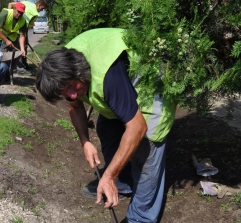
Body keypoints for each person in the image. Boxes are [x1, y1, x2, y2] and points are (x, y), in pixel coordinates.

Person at [35, 28, 176, 223]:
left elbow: (137, 128)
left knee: (146, 149)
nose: (72, 95)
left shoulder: (108, 76)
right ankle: (124, 183)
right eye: (64, 93)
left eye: (71, 88)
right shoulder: (63, 69)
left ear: (77, 71)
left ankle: (141, 217)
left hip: (149, 82)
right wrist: (85, 141)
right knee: (107, 128)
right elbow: (74, 106)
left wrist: (108, 176)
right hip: (117, 83)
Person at [7, 0, 47, 69]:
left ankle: (24, 64)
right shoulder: (35, 13)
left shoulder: (26, 3)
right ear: (39, 5)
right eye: (42, 8)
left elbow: (10, 4)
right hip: (18, 32)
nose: (41, 10)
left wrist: (9, 19)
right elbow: (26, 26)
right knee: (20, 49)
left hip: (17, 30)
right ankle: (20, 68)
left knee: (23, 47)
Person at [0, 2, 27, 76]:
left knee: (14, 54)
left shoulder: (23, 21)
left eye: (22, 13)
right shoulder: (5, 13)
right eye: (18, 12)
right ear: (14, 9)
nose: (19, 14)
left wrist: (22, 49)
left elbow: (22, 36)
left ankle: (8, 72)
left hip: (11, 34)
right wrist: (6, 40)